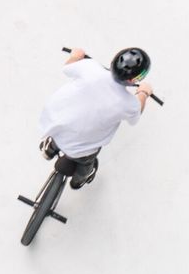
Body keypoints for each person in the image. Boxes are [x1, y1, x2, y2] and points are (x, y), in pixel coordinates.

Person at [38, 47, 155, 189]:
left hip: (54, 126)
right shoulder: (129, 104)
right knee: (87, 160)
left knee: (63, 128)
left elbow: (67, 67)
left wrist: (76, 55)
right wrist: (143, 92)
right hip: (82, 150)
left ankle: (49, 149)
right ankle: (79, 179)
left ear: (113, 61)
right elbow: (135, 117)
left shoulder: (90, 67)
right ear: (136, 79)